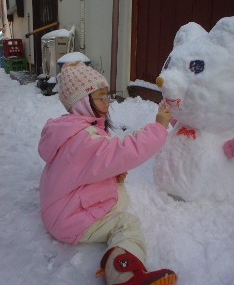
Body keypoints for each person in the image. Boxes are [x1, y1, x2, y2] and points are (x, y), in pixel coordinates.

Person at [38, 61, 177, 285]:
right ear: (82, 101)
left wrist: (112, 174)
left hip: (60, 204)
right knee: (126, 223)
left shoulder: (70, 129)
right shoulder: (83, 138)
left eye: (107, 96)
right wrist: (159, 127)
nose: (107, 103)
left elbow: (88, 167)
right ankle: (125, 274)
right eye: (100, 97)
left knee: (117, 188)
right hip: (68, 218)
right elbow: (123, 152)